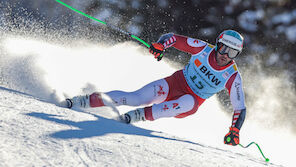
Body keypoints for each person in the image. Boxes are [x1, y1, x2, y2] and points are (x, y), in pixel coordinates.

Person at [65, 30, 246, 146]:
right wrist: (161, 45)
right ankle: (83, 101)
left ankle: (138, 116)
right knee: (135, 97)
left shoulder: (232, 75)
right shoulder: (203, 49)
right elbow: (173, 38)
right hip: (173, 84)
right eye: (223, 49)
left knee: (187, 101)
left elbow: (239, 107)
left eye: (232, 53)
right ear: (217, 44)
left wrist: (234, 130)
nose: (225, 56)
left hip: (190, 101)